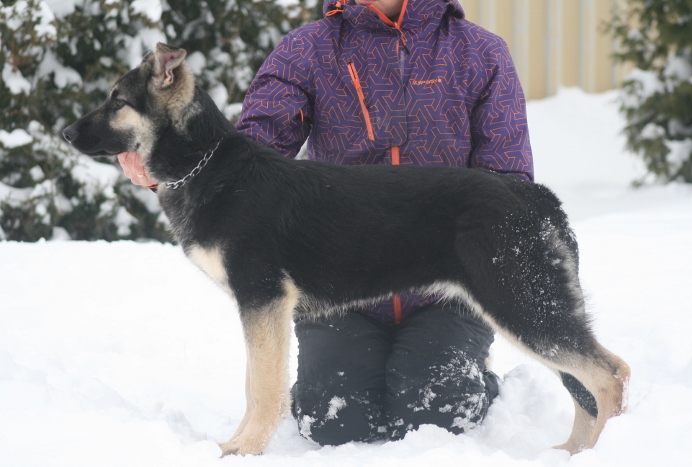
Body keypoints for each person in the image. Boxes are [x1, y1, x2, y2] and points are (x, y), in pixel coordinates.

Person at [119, 0, 533, 447]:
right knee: (335, 422)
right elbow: (248, 156)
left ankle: (475, 377)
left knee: (434, 413)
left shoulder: (479, 51)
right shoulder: (309, 49)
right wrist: (162, 160)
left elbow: (506, 184)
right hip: (338, 285)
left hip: (446, 285)